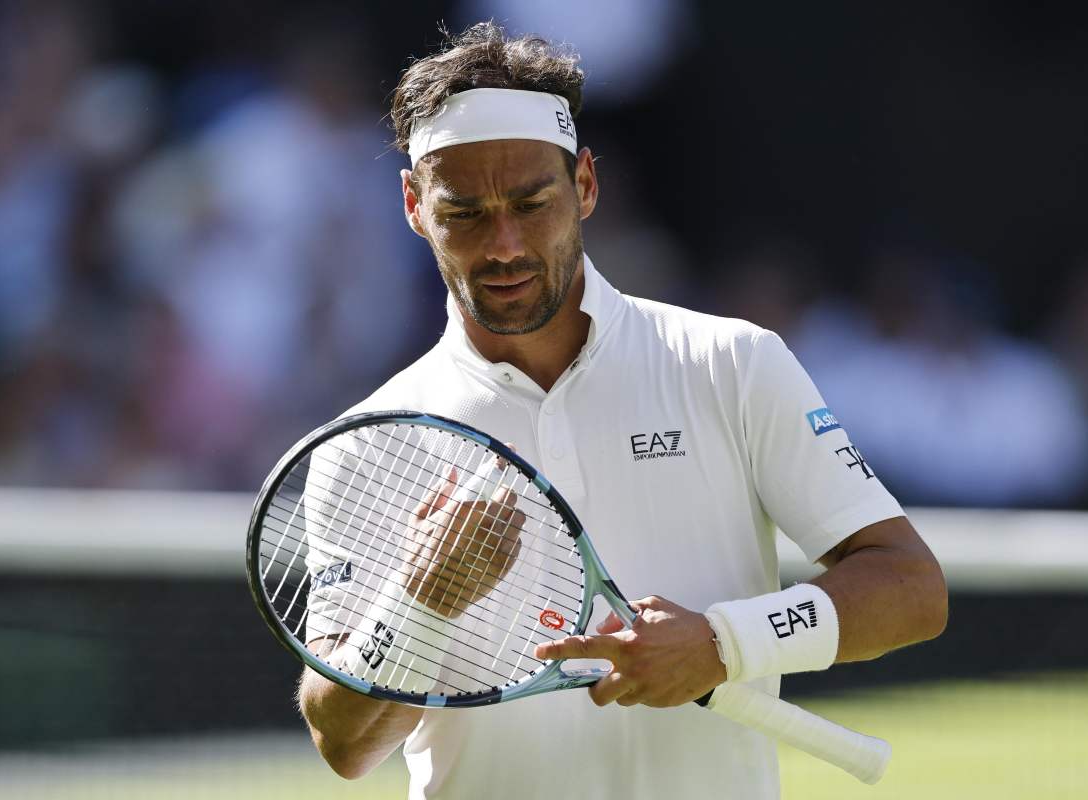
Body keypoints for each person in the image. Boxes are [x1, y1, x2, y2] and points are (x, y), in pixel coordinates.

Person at [298, 22, 947, 800]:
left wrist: (720, 644)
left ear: (586, 187)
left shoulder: (731, 363)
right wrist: (421, 603)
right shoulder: (363, 445)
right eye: (465, 213)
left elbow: (910, 589)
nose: (503, 244)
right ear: (413, 204)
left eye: (532, 203)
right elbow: (342, 741)